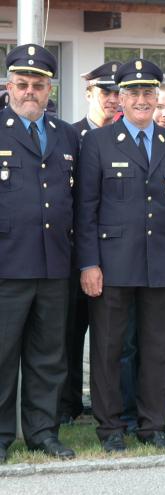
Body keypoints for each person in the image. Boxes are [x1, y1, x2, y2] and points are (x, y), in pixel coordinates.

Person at [75, 58, 165, 452]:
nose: (142, 100)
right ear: (120, 100)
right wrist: (89, 263)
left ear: (158, 98)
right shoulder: (97, 143)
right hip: (112, 264)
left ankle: (152, 425)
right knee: (110, 348)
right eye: (133, 93)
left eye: (149, 93)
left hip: (162, 263)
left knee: (157, 349)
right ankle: (110, 426)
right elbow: (86, 209)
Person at [0, 44, 79, 463]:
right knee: (2, 353)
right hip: (7, 264)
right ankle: (0, 435)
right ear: (9, 86)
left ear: (51, 89)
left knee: (49, 356)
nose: (30, 91)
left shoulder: (66, 134)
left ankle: (43, 432)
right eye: (23, 84)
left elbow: (76, 200)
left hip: (53, 263)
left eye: (39, 85)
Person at [60, 61, 121, 425]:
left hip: (112, 251)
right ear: (89, 93)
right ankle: (67, 404)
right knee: (68, 332)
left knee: (111, 336)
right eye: (105, 92)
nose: (113, 100)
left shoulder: (127, 137)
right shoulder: (71, 134)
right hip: (72, 252)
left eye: (117, 93)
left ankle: (107, 403)